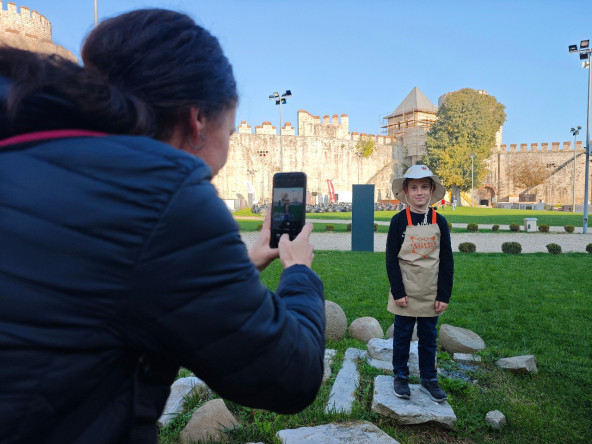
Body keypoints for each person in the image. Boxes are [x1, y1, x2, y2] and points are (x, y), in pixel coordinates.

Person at [0, 9, 325, 443]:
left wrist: (246, 263)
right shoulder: (160, 193)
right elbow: (290, 375)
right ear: (197, 122)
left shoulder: (25, 151)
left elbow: (116, 288)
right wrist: (299, 273)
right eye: (228, 134)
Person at [385, 165, 453, 402]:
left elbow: (446, 260)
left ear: (432, 190)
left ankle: (429, 378)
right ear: (406, 191)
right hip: (404, 291)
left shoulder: (440, 222)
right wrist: (398, 291)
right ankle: (401, 376)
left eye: (424, 187)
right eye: (414, 187)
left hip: (431, 292)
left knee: (428, 336)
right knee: (402, 335)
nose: (420, 192)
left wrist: (443, 295)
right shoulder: (398, 221)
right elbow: (391, 259)